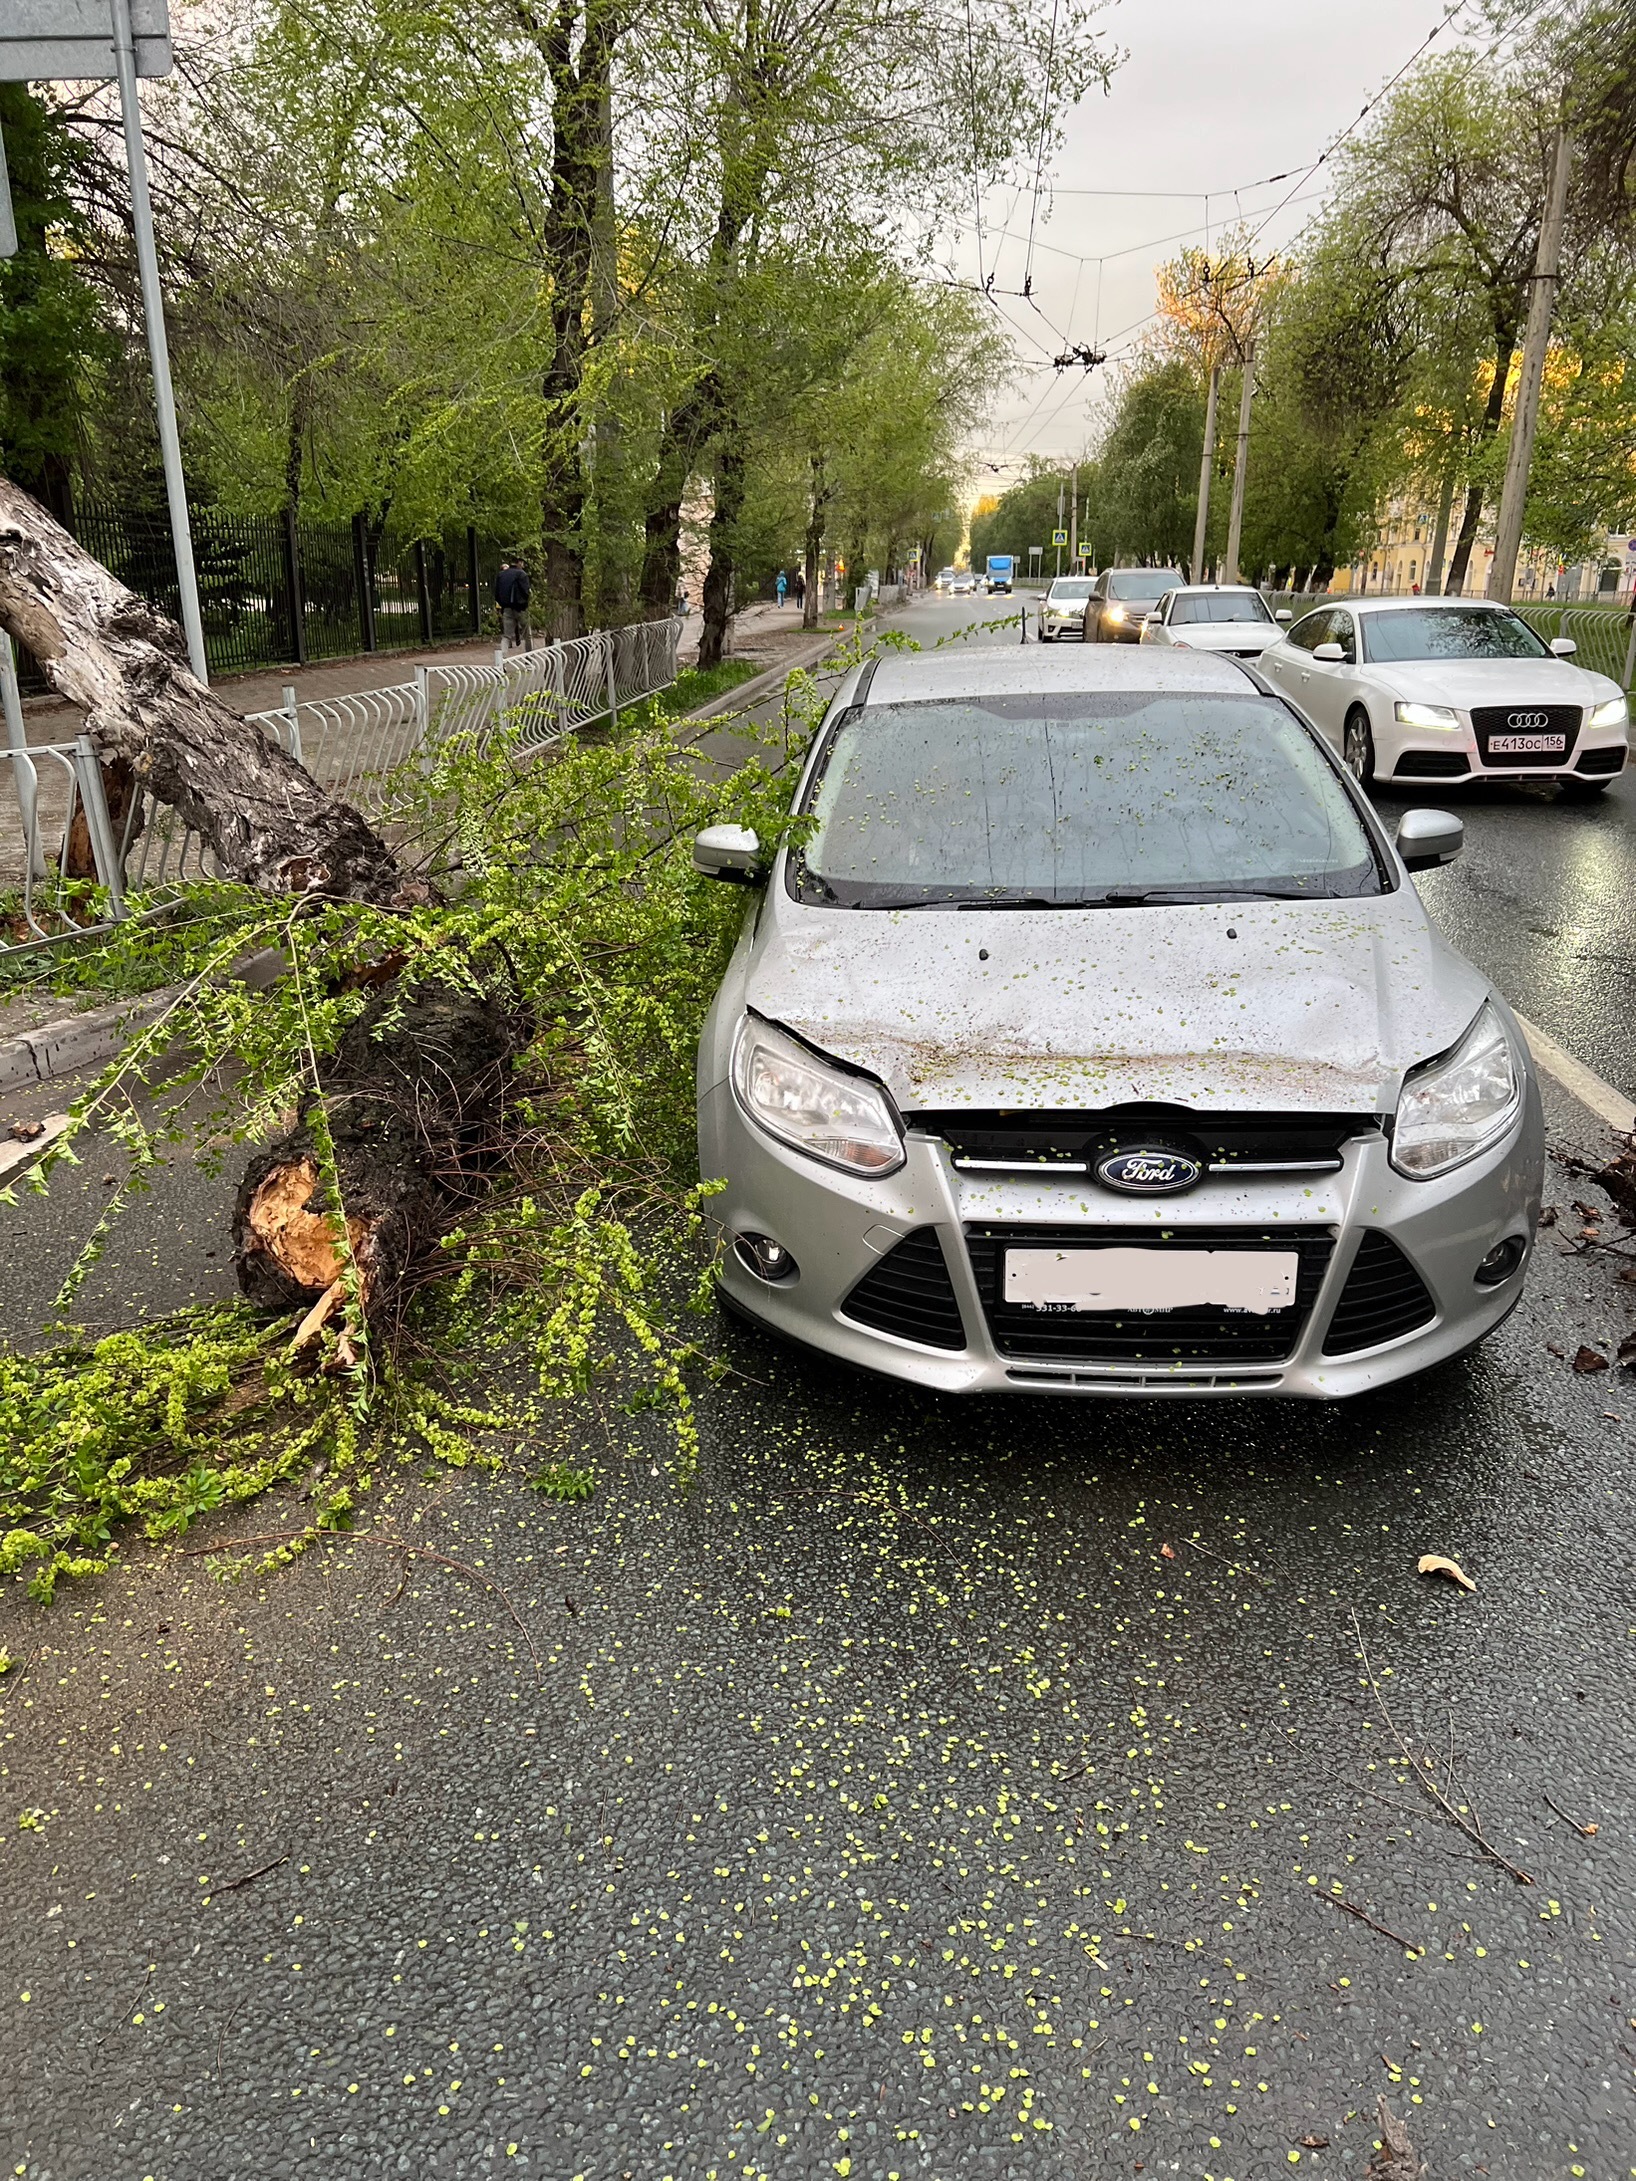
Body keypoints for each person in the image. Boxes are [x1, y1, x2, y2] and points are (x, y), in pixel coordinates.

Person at [495, 556, 533, 652]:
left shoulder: (501, 575)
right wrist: (525, 603)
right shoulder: (522, 574)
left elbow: (496, 593)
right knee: (527, 635)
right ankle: (529, 660)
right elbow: (526, 592)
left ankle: (501, 661)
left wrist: (502, 604)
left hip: (506, 608)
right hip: (521, 608)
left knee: (506, 636)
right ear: (519, 563)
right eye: (523, 563)